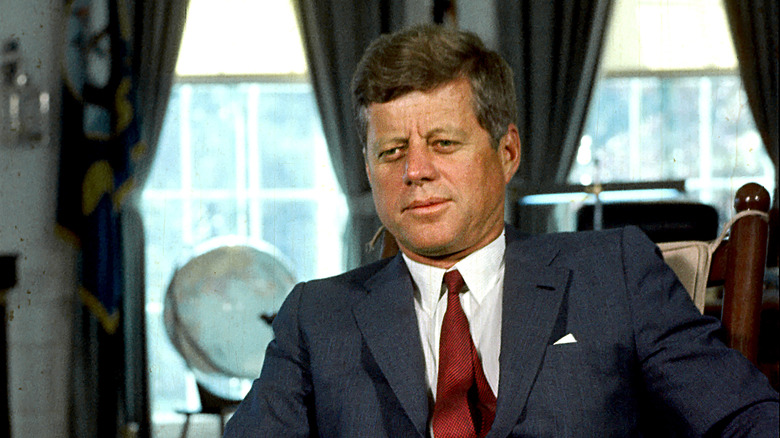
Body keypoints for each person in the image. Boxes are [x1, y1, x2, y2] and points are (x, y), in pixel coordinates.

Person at [224, 24, 778, 437]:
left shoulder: (614, 272)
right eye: (391, 151)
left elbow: (744, 417)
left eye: (443, 144)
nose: (415, 171)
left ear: (507, 151)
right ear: (368, 169)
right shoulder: (316, 318)